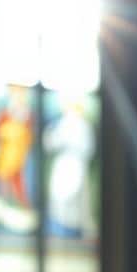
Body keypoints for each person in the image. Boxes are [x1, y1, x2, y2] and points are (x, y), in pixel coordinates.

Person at [44, 97, 96, 238]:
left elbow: (88, 148)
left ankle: (72, 231)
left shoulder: (79, 125)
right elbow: (51, 144)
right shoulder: (64, 123)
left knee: (71, 198)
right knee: (60, 199)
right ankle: (62, 231)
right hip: (65, 164)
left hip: (75, 164)